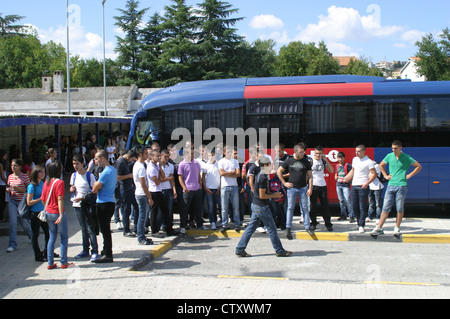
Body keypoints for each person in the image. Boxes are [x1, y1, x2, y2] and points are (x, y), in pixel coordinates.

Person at [236, 156, 292, 257]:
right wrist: (275, 195)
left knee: (250, 228)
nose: (272, 166)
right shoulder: (262, 177)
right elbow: (262, 195)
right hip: (261, 207)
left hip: (257, 205)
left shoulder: (262, 175)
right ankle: (279, 250)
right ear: (265, 165)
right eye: (270, 164)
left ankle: (240, 249)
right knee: (272, 229)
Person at [371, 140, 422, 236]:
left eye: (395, 148)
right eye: (392, 148)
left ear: (400, 148)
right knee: (385, 207)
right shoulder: (389, 156)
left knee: (399, 207)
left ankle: (397, 227)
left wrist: (409, 175)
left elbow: (418, 166)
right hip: (391, 184)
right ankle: (379, 227)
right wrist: (385, 176)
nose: (393, 150)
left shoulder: (406, 157)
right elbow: (381, 165)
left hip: (402, 185)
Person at [277, 143, 313, 239]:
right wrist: (284, 183)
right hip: (291, 189)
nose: (302, 154)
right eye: (300, 152)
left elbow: (310, 176)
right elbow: (279, 171)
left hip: (303, 188)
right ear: (295, 152)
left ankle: (307, 226)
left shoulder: (306, 161)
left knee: (305, 208)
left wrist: (310, 188)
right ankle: (288, 227)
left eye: (303, 152)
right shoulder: (289, 160)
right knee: (290, 208)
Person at [41, 161, 73, 269]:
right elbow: (60, 198)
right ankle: (63, 262)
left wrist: (47, 208)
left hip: (48, 212)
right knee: (64, 237)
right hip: (57, 212)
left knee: (52, 236)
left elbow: (42, 199)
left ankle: (50, 262)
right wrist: (60, 214)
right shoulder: (60, 182)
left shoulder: (46, 182)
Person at [70, 154, 99, 262]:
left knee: (90, 228)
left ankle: (95, 251)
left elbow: (93, 190)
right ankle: (85, 250)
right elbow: (72, 188)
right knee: (83, 229)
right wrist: (72, 189)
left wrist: (83, 198)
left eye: (77, 163)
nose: (75, 166)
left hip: (86, 205)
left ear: (82, 163)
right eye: (73, 164)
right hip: (76, 205)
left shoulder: (89, 175)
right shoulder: (73, 176)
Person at [92, 150, 117, 263]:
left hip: (103, 203)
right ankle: (105, 249)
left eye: (97, 158)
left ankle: (108, 254)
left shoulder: (106, 172)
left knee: (105, 229)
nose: (95, 161)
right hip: (109, 201)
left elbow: (94, 189)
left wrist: (97, 183)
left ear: (103, 158)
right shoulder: (112, 170)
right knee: (105, 228)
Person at [344, 145, 376, 233]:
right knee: (354, 206)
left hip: (363, 186)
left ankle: (362, 225)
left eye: (358, 151)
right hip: (354, 185)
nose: (356, 153)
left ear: (363, 151)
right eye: (356, 151)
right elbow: (353, 171)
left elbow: (374, 174)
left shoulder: (369, 161)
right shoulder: (355, 159)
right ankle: (358, 223)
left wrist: (367, 183)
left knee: (362, 206)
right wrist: (346, 178)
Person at [147, 150, 178, 237]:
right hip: (154, 191)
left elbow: (163, 176)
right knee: (155, 212)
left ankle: (169, 229)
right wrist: (167, 179)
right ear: (152, 157)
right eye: (157, 156)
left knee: (165, 210)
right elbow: (158, 182)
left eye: (159, 156)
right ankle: (154, 230)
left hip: (158, 191)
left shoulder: (156, 166)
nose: (159, 158)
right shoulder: (151, 168)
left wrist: (160, 167)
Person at [6, 158, 32, 252]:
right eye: (12, 165)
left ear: (20, 167)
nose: (13, 167)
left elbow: (29, 190)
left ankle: (31, 236)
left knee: (24, 222)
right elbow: (9, 186)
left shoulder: (24, 177)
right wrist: (9, 189)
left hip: (22, 202)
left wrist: (19, 189)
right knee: (12, 223)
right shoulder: (10, 177)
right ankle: (12, 244)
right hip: (13, 201)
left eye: (15, 165)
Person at [178, 145, 204, 234]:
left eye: (193, 153)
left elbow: (198, 174)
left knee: (198, 208)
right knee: (185, 209)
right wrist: (184, 188)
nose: (193, 155)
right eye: (191, 153)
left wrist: (200, 184)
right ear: (186, 154)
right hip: (188, 190)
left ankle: (199, 224)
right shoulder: (182, 164)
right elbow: (180, 177)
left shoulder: (196, 163)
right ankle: (182, 226)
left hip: (197, 189)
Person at [27, 165, 50, 262]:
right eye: (41, 172)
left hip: (43, 212)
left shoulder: (42, 183)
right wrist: (40, 199)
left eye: (43, 172)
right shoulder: (32, 186)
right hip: (35, 213)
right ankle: (37, 254)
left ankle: (47, 251)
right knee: (35, 234)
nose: (43, 174)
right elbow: (29, 202)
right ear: (36, 173)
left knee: (48, 232)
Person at [310, 146, 334, 231]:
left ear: (322, 153)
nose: (318, 155)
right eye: (316, 153)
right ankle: (313, 223)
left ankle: (328, 224)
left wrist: (326, 160)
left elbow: (331, 171)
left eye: (320, 153)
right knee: (313, 206)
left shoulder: (323, 161)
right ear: (314, 153)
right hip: (313, 185)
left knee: (325, 206)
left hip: (322, 185)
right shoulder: (310, 161)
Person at [133, 146, 153, 245]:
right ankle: (140, 237)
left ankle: (142, 236)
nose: (147, 155)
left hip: (141, 193)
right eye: (146, 153)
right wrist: (149, 197)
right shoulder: (140, 167)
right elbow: (143, 183)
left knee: (144, 216)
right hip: (142, 194)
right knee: (142, 217)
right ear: (140, 154)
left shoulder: (139, 164)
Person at [218, 145, 241, 231]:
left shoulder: (235, 161)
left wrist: (226, 173)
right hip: (224, 186)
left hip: (234, 186)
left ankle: (237, 224)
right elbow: (221, 173)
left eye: (230, 152)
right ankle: (224, 224)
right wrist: (232, 172)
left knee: (236, 207)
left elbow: (238, 174)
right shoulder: (220, 162)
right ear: (224, 152)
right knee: (224, 207)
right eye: (227, 152)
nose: (229, 153)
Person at [115, 149, 138, 237]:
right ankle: (126, 230)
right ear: (128, 156)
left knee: (136, 207)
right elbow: (118, 177)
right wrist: (129, 175)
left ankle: (136, 227)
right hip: (124, 189)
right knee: (126, 209)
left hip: (129, 187)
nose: (131, 161)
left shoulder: (125, 162)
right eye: (131, 159)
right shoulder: (120, 162)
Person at [202, 149, 221, 230]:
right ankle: (212, 222)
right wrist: (205, 188)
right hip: (209, 189)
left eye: (212, 155)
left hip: (217, 188)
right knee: (211, 207)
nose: (211, 157)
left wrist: (219, 188)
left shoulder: (219, 164)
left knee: (221, 206)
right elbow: (203, 177)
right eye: (209, 155)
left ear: (215, 155)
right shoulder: (206, 165)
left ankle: (220, 221)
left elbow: (221, 176)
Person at [159, 149, 177, 231]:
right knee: (160, 210)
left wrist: (174, 190)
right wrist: (168, 178)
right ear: (161, 156)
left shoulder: (171, 166)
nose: (166, 158)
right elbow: (160, 179)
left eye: (168, 157)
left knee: (169, 210)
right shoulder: (158, 166)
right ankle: (160, 226)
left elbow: (172, 179)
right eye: (165, 157)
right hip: (160, 190)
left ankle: (168, 226)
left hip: (168, 189)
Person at [335, 152, 354, 222]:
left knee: (347, 200)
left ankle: (351, 215)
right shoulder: (337, 166)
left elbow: (352, 174)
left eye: (341, 158)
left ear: (344, 158)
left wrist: (347, 179)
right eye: (339, 158)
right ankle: (343, 215)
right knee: (341, 201)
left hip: (346, 186)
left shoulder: (347, 165)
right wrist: (336, 177)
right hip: (338, 185)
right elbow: (335, 176)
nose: (340, 159)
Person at [0, 150, 8, 222]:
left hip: (3, 184)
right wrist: (8, 182)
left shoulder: (3, 164)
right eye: (5, 155)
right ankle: (1, 216)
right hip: (2, 184)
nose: (6, 156)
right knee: (3, 201)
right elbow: (2, 176)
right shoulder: (0, 165)